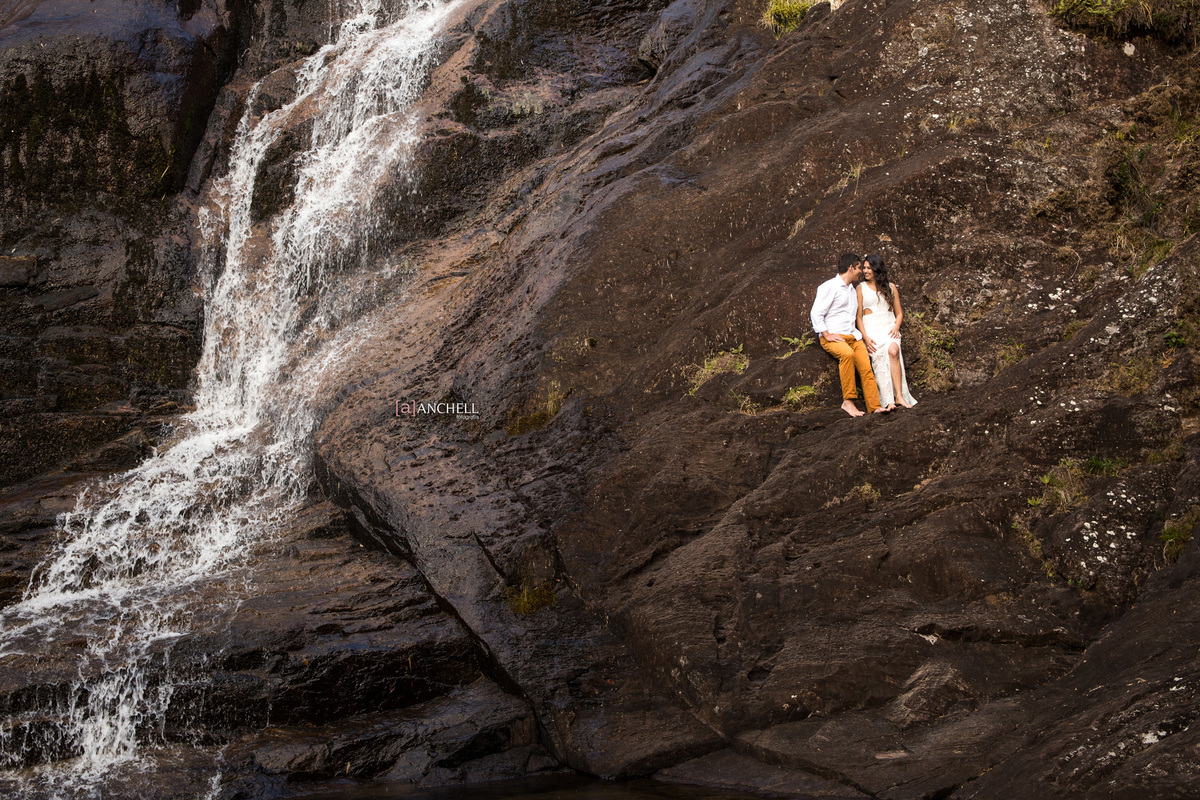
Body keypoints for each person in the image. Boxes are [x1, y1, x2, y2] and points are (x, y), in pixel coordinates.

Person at [810, 253, 883, 417]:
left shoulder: (852, 290)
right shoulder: (829, 287)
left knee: (866, 368)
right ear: (851, 268)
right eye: (859, 268)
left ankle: (875, 406)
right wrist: (827, 334)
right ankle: (848, 402)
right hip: (835, 337)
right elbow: (816, 313)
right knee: (847, 355)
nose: (861, 272)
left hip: (853, 336)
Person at [856, 254, 916, 410]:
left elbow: (899, 313)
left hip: (889, 326)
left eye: (869, 268)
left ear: (877, 268)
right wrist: (866, 338)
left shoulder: (890, 287)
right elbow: (859, 318)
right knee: (880, 359)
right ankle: (888, 401)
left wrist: (896, 327)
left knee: (894, 351)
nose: (865, 271)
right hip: (871, 329)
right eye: (864, 268)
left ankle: (900, 396)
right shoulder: (860, 288)